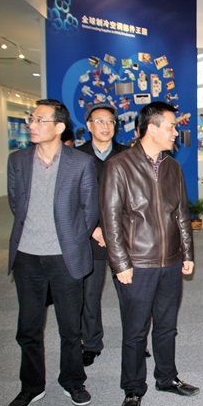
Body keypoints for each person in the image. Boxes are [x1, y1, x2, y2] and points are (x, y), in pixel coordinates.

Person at [99, 102, 199, 406]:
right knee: (136, 330)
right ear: (152, 128)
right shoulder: (119, 166)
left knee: (167, 325)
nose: (175, 132)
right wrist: (120, 263)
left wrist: (187, 253)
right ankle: (132, 388)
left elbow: (181, 214)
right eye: (171, 126)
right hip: (137, 263)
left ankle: (167, 378)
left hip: (171, 261)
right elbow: (110, 220)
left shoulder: (173, 167)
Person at [6, 99, 97, 406]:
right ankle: (31, 386)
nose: (32, 125)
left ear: (59, 127)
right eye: (31, 119)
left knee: (70, 326)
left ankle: (73, 380)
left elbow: (89, 210)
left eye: (39, 120)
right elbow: (16, 204)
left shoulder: (80, 163)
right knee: (28, 327)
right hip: (27, 256)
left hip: (64, 256)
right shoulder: (18, 160)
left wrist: (71, 239)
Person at [76, 104, 128, 367]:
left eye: (110, 121)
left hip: (123, 237)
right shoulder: (76, 156)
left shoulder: (128, 155)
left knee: (129, 294)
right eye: (99, 121)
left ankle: (134, 341)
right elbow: (72, 200)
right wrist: (94, 229)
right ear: (89, 125)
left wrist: (115, 231)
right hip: (91, 236)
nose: (106, 126)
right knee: (89, 294)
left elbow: (134, 198)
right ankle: (91, 343)